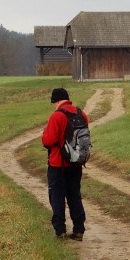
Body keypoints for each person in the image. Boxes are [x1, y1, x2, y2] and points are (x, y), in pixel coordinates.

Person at [41, 87, 88, 240]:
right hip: (76, 163)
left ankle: (60, 230)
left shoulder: (56, 116)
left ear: (56, 101)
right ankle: (79, 229)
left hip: (57, 164)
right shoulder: (81, 114)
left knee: (57, 196)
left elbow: (48, 140)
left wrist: (44, 134)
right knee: (74, 195)